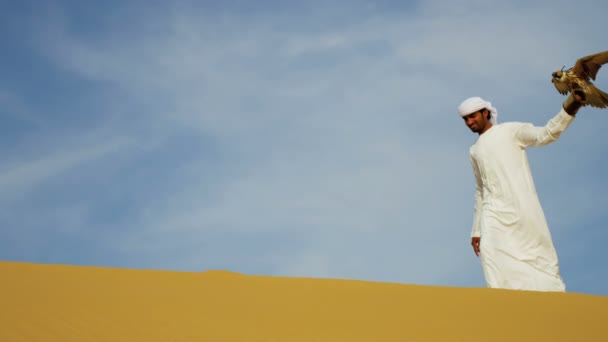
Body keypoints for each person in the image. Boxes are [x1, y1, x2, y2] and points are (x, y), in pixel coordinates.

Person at [459, 91, 585, 291]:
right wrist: (476, 230)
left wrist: (571, 106)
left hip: (521, 208)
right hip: (492, 212)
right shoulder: (474, 150)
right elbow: (480, 189)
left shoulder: (511, 131)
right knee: (490, 254)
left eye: (472, 116)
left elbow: (546, 134)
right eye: (465, 119)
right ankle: (502, 304)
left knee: (535, 256)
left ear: (485, 113)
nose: (469, 122)